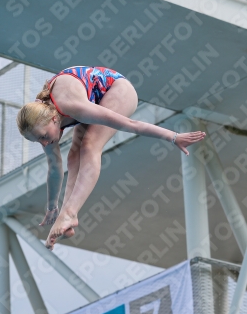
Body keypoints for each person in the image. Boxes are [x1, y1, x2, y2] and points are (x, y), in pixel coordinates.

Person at [16, 65, 205, 250]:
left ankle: (70, 213)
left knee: (90, 145)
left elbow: (131, 124)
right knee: (73, 156)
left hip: (117, 89)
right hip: (92, 96)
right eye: (37, 141)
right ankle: (66, 218)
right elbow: (55, 168)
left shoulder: (72, 107)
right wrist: (51, 207)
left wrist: (173, 137)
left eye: (43, 137)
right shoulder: (40, 121)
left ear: (55, 119)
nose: (44, 143)